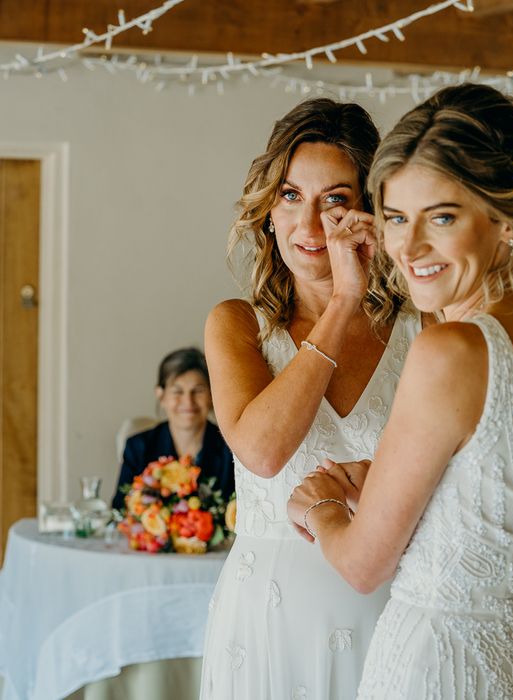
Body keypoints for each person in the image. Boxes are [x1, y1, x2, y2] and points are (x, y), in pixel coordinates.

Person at [287, 84, 513, 699]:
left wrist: (318, 507)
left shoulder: (450, 351)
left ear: (505, 223)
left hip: (440, 673)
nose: (408, 248)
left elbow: (362, 564)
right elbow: (499, 499)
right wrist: (380, 477)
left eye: (443, 217)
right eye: (397, 218)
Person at [199, 98, 422, 699]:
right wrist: (343, 302)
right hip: (271, 621)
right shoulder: (237, 325)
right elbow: (263, 452)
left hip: (395, 609)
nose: (310, 224)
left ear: (369, 213)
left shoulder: (423, 330)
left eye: (335, 200)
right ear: (268, 212)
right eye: (292, 196)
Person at [111, 347, 234, 510]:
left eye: (198, 391)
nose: (188, 402)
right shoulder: (138, 447)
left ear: (211, 395)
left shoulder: (230, 449)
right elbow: (120, 510)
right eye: (177, 391)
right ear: (161, 396)